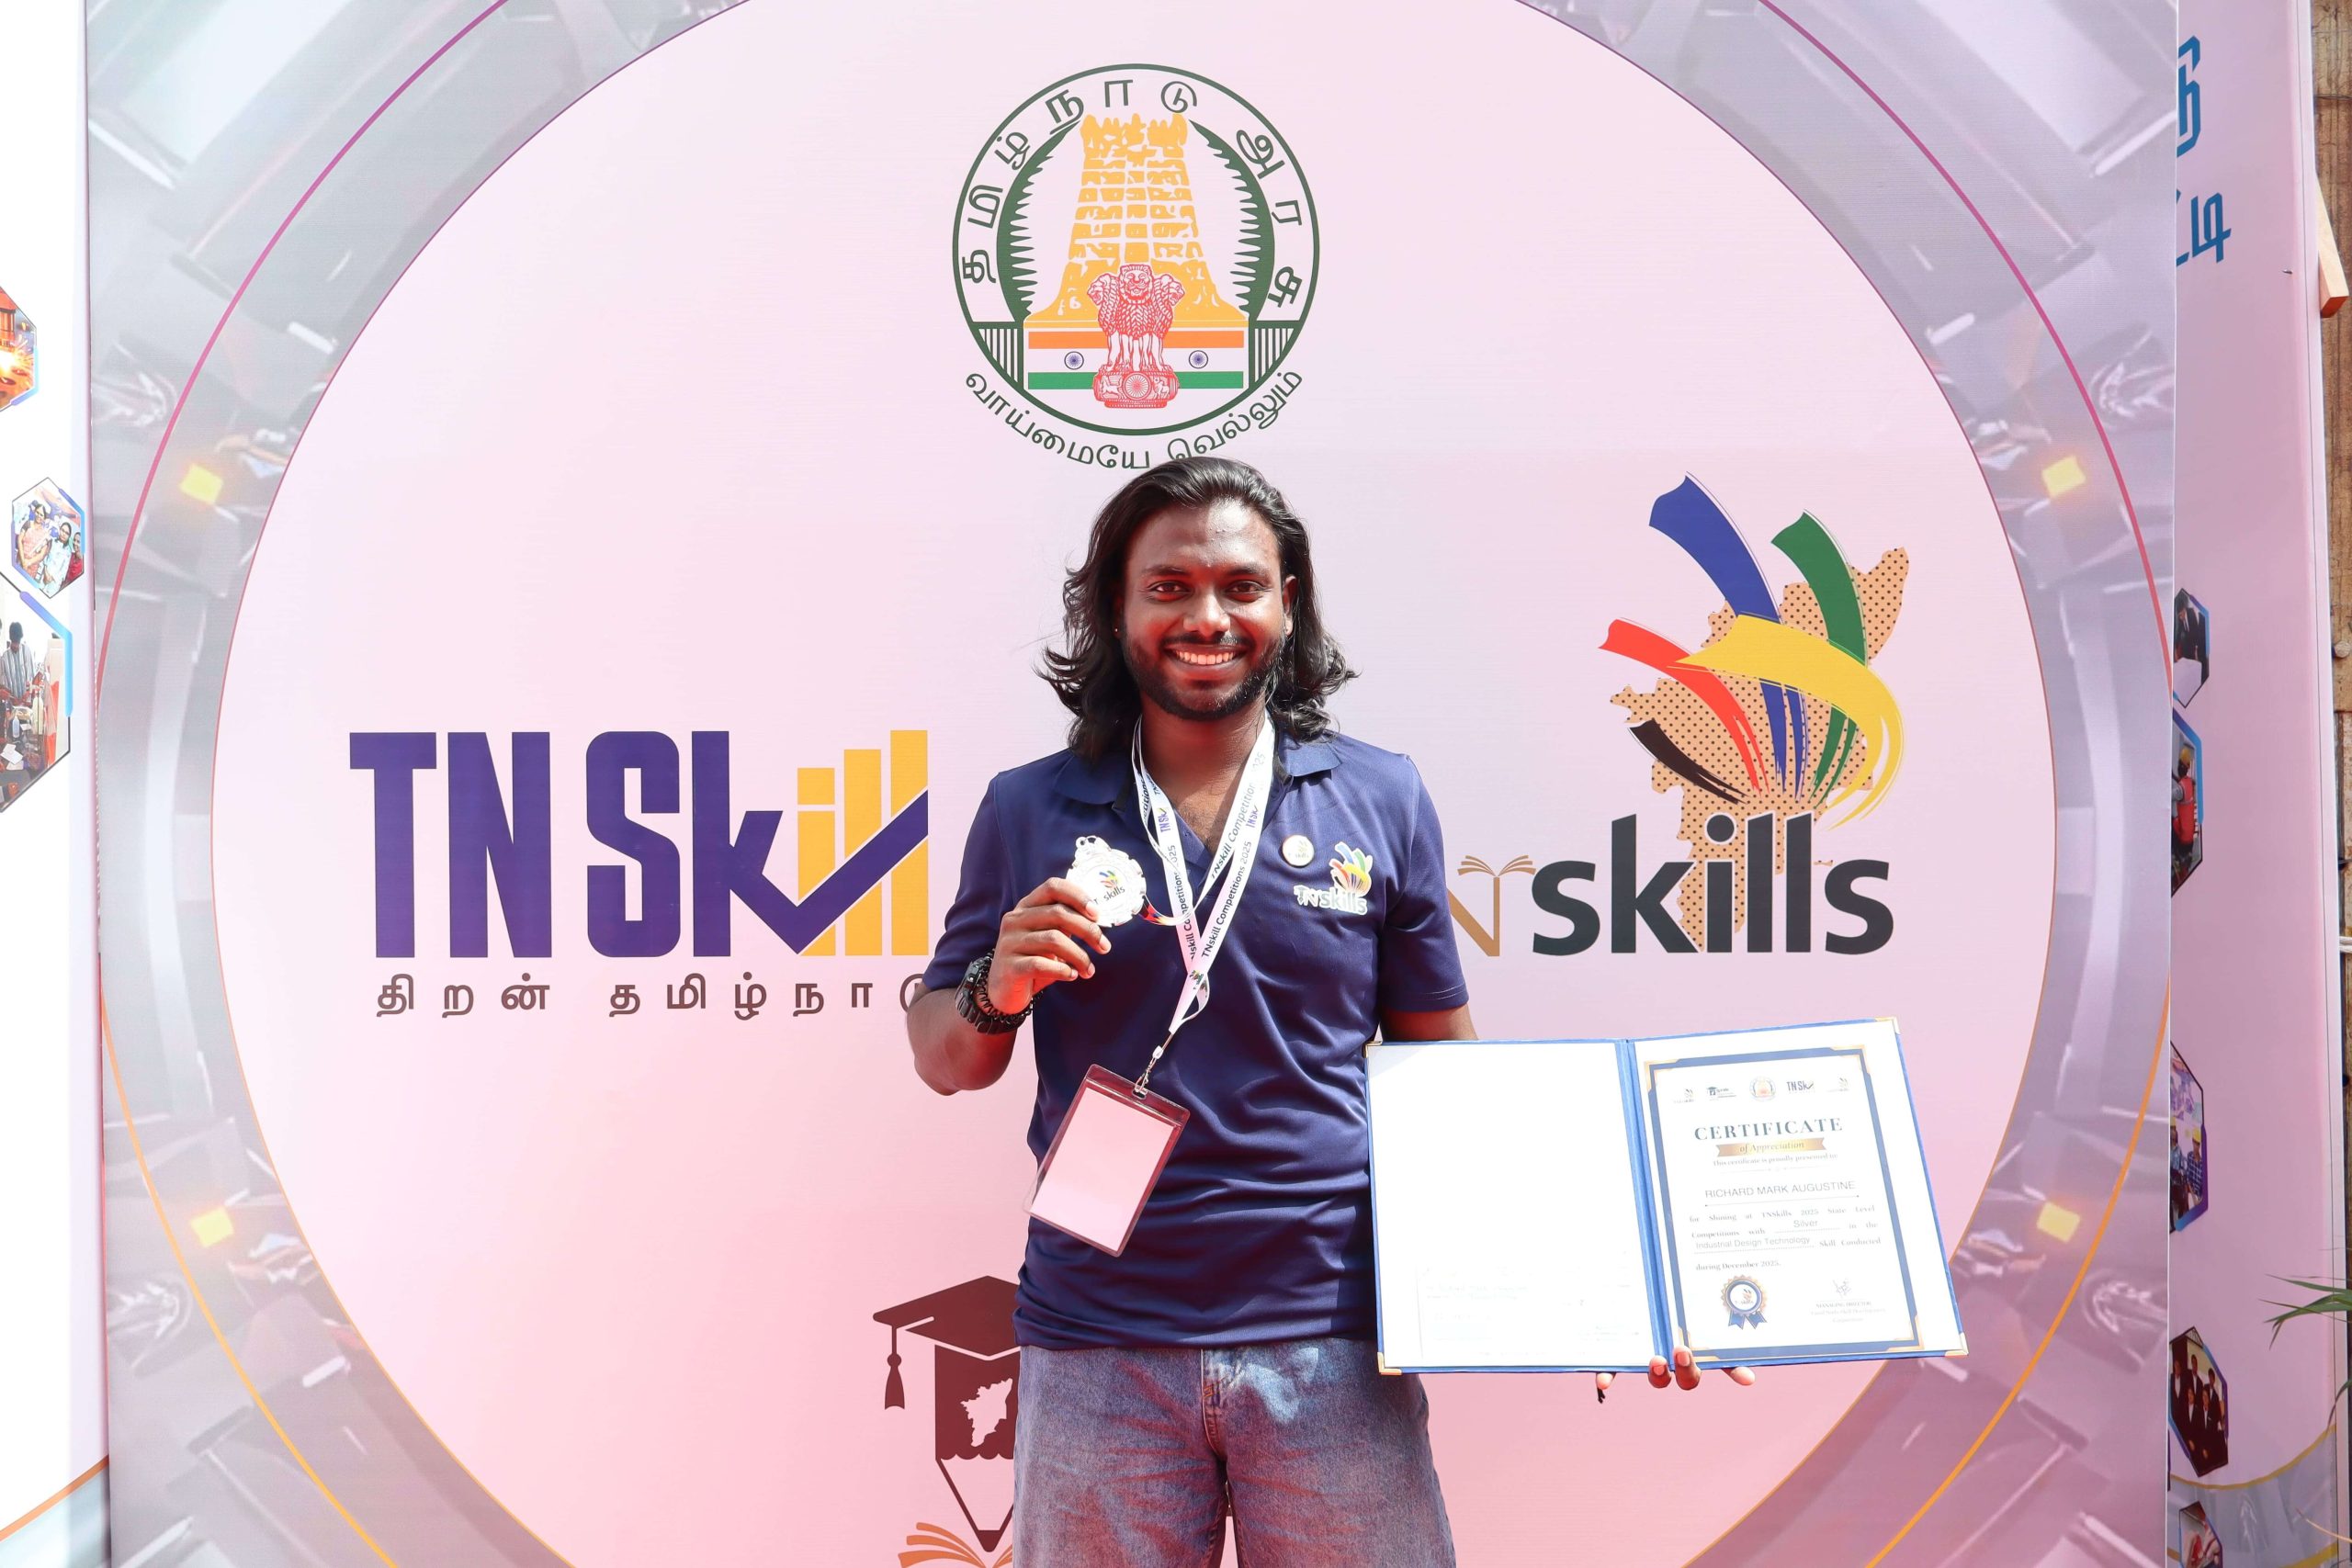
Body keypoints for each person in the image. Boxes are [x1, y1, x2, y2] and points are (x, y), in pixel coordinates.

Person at [905, 457, 1747, 1567]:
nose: (1207, 618)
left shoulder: (1378, 795)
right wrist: (993, 986)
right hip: (1098, 1344)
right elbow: (947, 1057)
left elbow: (1446, 1078)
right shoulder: (1028, 807)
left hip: (1334, 1343)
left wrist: (1601, 1288)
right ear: (1115, 608)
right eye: (1168, 587)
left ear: (1287, 602)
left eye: (1240, 586)